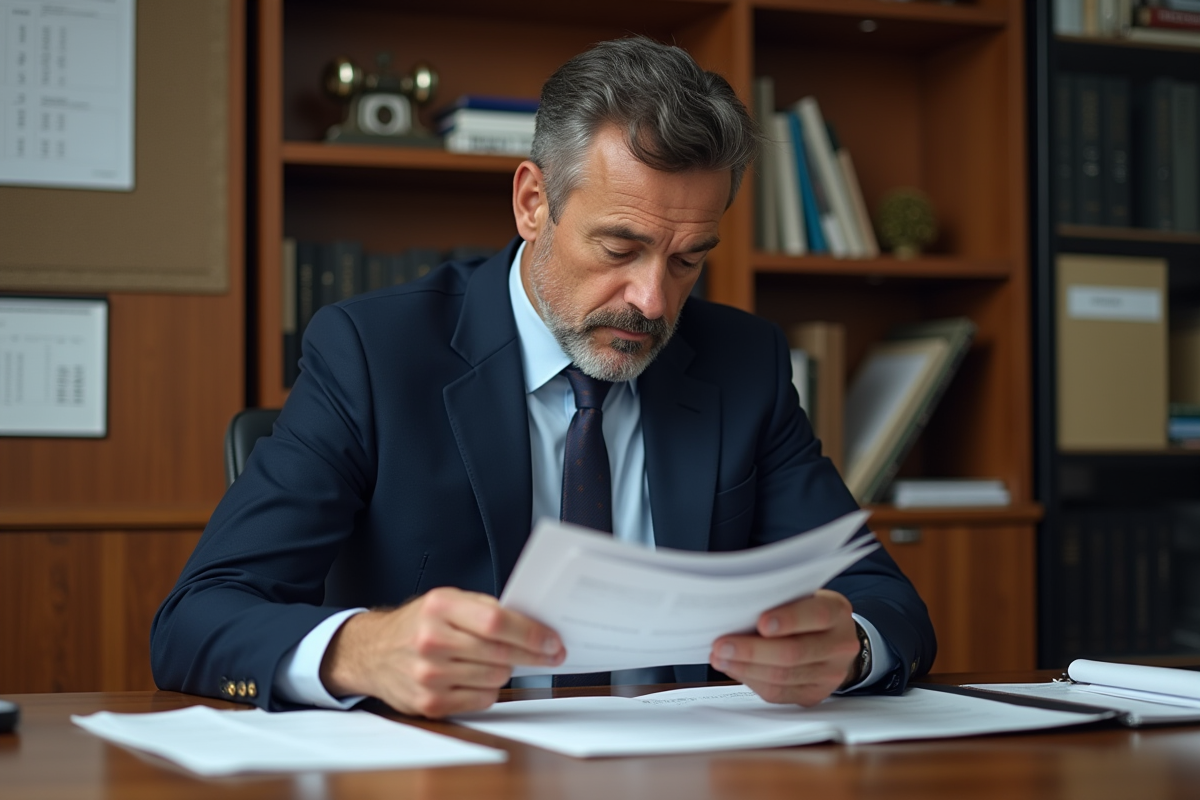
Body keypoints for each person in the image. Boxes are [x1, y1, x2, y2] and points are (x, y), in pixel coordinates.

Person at [151, 37, 935, 719]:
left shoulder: (744, 365)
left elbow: (888, 604)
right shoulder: (373, 354)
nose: (653, 301)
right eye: (620, 249)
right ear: (534, 202)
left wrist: (849, 648)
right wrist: (359, 650)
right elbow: (196, 618)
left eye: (689, 259)